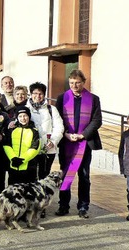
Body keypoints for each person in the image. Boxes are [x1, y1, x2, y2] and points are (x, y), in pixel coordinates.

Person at [55, 69, 103, 218]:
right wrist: (66, 134)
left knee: (84, 176)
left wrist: (83, 135)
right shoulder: (62, 98)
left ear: (84, 82)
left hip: (84, 143)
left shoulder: (93, 99)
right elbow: (57, 120)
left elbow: (97, 120)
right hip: (67, 142)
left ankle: (83, 206)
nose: (74, 85)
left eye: (77, 83)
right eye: (71, 83)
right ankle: (63, 205)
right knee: (66, 175)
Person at [27, 82, 64, 185]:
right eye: (35, 93)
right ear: (30, 94)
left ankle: (42, 199)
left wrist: (54, 141)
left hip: (48, 149)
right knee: (31, 175)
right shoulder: (26, 109)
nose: (38, 96)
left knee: (44, 175)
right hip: (30, 149)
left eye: (41, 94)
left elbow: (59, 127)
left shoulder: (51, 109)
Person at [3, 106, 41, 185]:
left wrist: (22, 160)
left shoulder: (34, 131)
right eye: (20, 116)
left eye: (25, 116)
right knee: (13, 191)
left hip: (29, 167)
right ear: (17, 117)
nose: (23, 118)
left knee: (28, 192)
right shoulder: (12, 130)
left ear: (29, 117)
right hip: (14, 166)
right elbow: (7, 145)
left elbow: (35, 147)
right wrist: (13, 158)